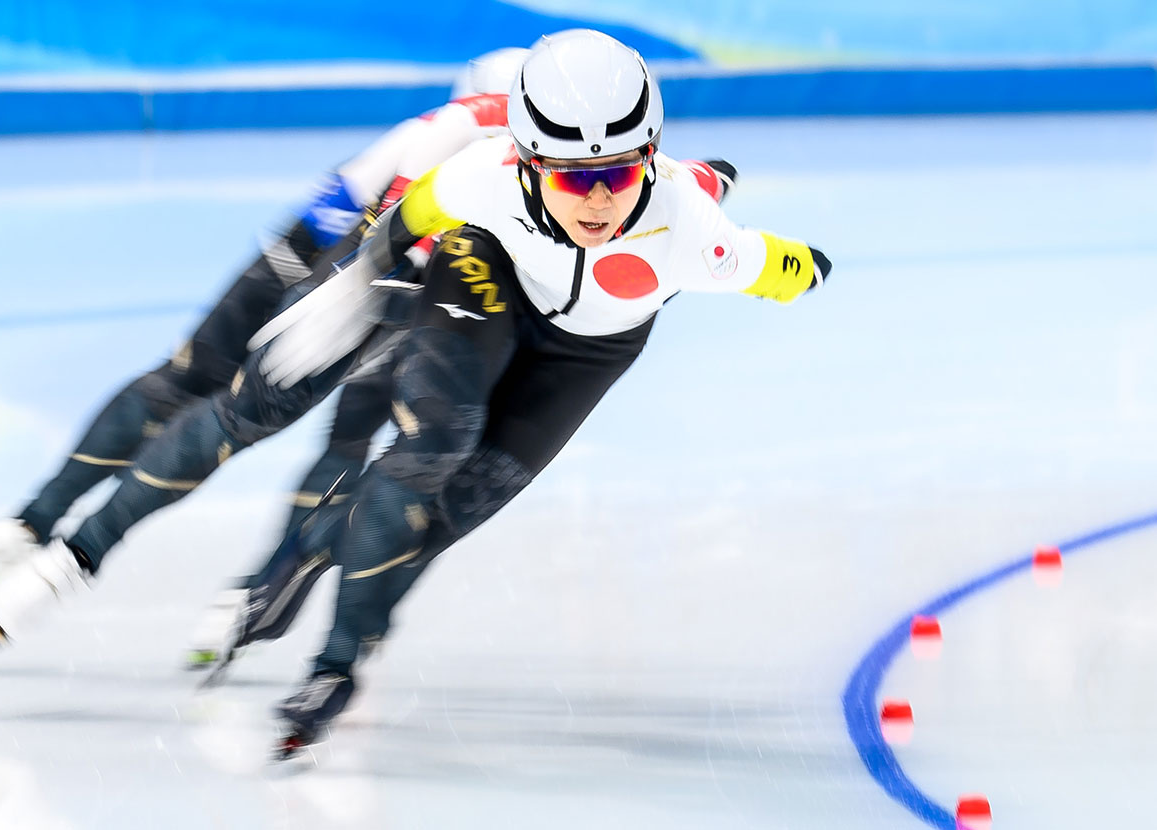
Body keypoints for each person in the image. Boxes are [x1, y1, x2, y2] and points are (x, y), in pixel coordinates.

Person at [243, 29, 832, 759]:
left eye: (616, 176)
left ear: (649, 160)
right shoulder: (483, 173)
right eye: (570, 177)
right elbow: (408, 218)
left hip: (587, 355)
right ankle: (330, 671)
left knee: (439, 524)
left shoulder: (690, 232)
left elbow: (779, 266)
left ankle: (316, 549)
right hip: (499, 294)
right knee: (431, 450)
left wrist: (803, 267)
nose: (597, 202)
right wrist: (356, 285)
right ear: (524, 163)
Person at [0, 48, 532, 616]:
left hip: (346, 262)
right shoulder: (532, 156)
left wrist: (295, 281)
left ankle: (34, 519)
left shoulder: (441, 125)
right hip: (430, 294)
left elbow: (327, 217)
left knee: (190, 384)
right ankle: (266, 585)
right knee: (352, 440)